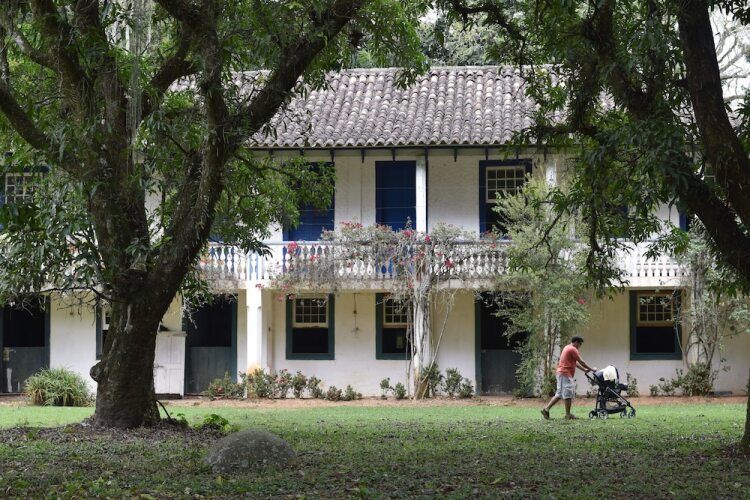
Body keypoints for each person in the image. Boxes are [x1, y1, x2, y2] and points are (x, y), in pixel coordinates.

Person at [541, 336, 596, 420]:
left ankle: (546, 409)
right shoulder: (573, 349)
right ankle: (568, 415)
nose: (579, 346)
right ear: (576, 342)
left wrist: (584, 370)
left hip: (562, 373)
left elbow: (575, 362)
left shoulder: (567, 347)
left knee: (559, 394)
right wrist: (591, 369)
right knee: (568, 393)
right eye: (580, 344)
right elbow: (581, 361)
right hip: (565, 374)